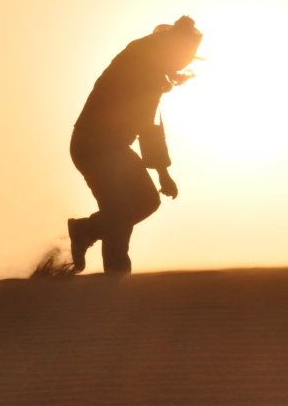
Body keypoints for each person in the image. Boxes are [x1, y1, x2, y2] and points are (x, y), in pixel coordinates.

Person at [68, 16, 202, 274]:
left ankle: (86, 230)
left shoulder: (146, 58)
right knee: (118, 213)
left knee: (146, 202)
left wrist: (169, 77)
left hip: (114, 147)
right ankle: (116, 281)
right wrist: (163, 173)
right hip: (95, 145)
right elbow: (146, 127)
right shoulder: (143, 67)